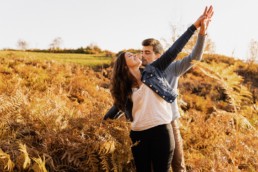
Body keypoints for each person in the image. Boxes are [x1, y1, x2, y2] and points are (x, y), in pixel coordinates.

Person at [108, 6, 213, 172]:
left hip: (166, 122)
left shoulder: (164, 69)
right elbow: (117, 106)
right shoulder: (132, 81)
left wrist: (198, 29)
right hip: (141, 132)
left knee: (178, 165)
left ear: (158, 55)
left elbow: (185, 54)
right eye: (141, 52)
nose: (142, 56)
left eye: (147, 53)